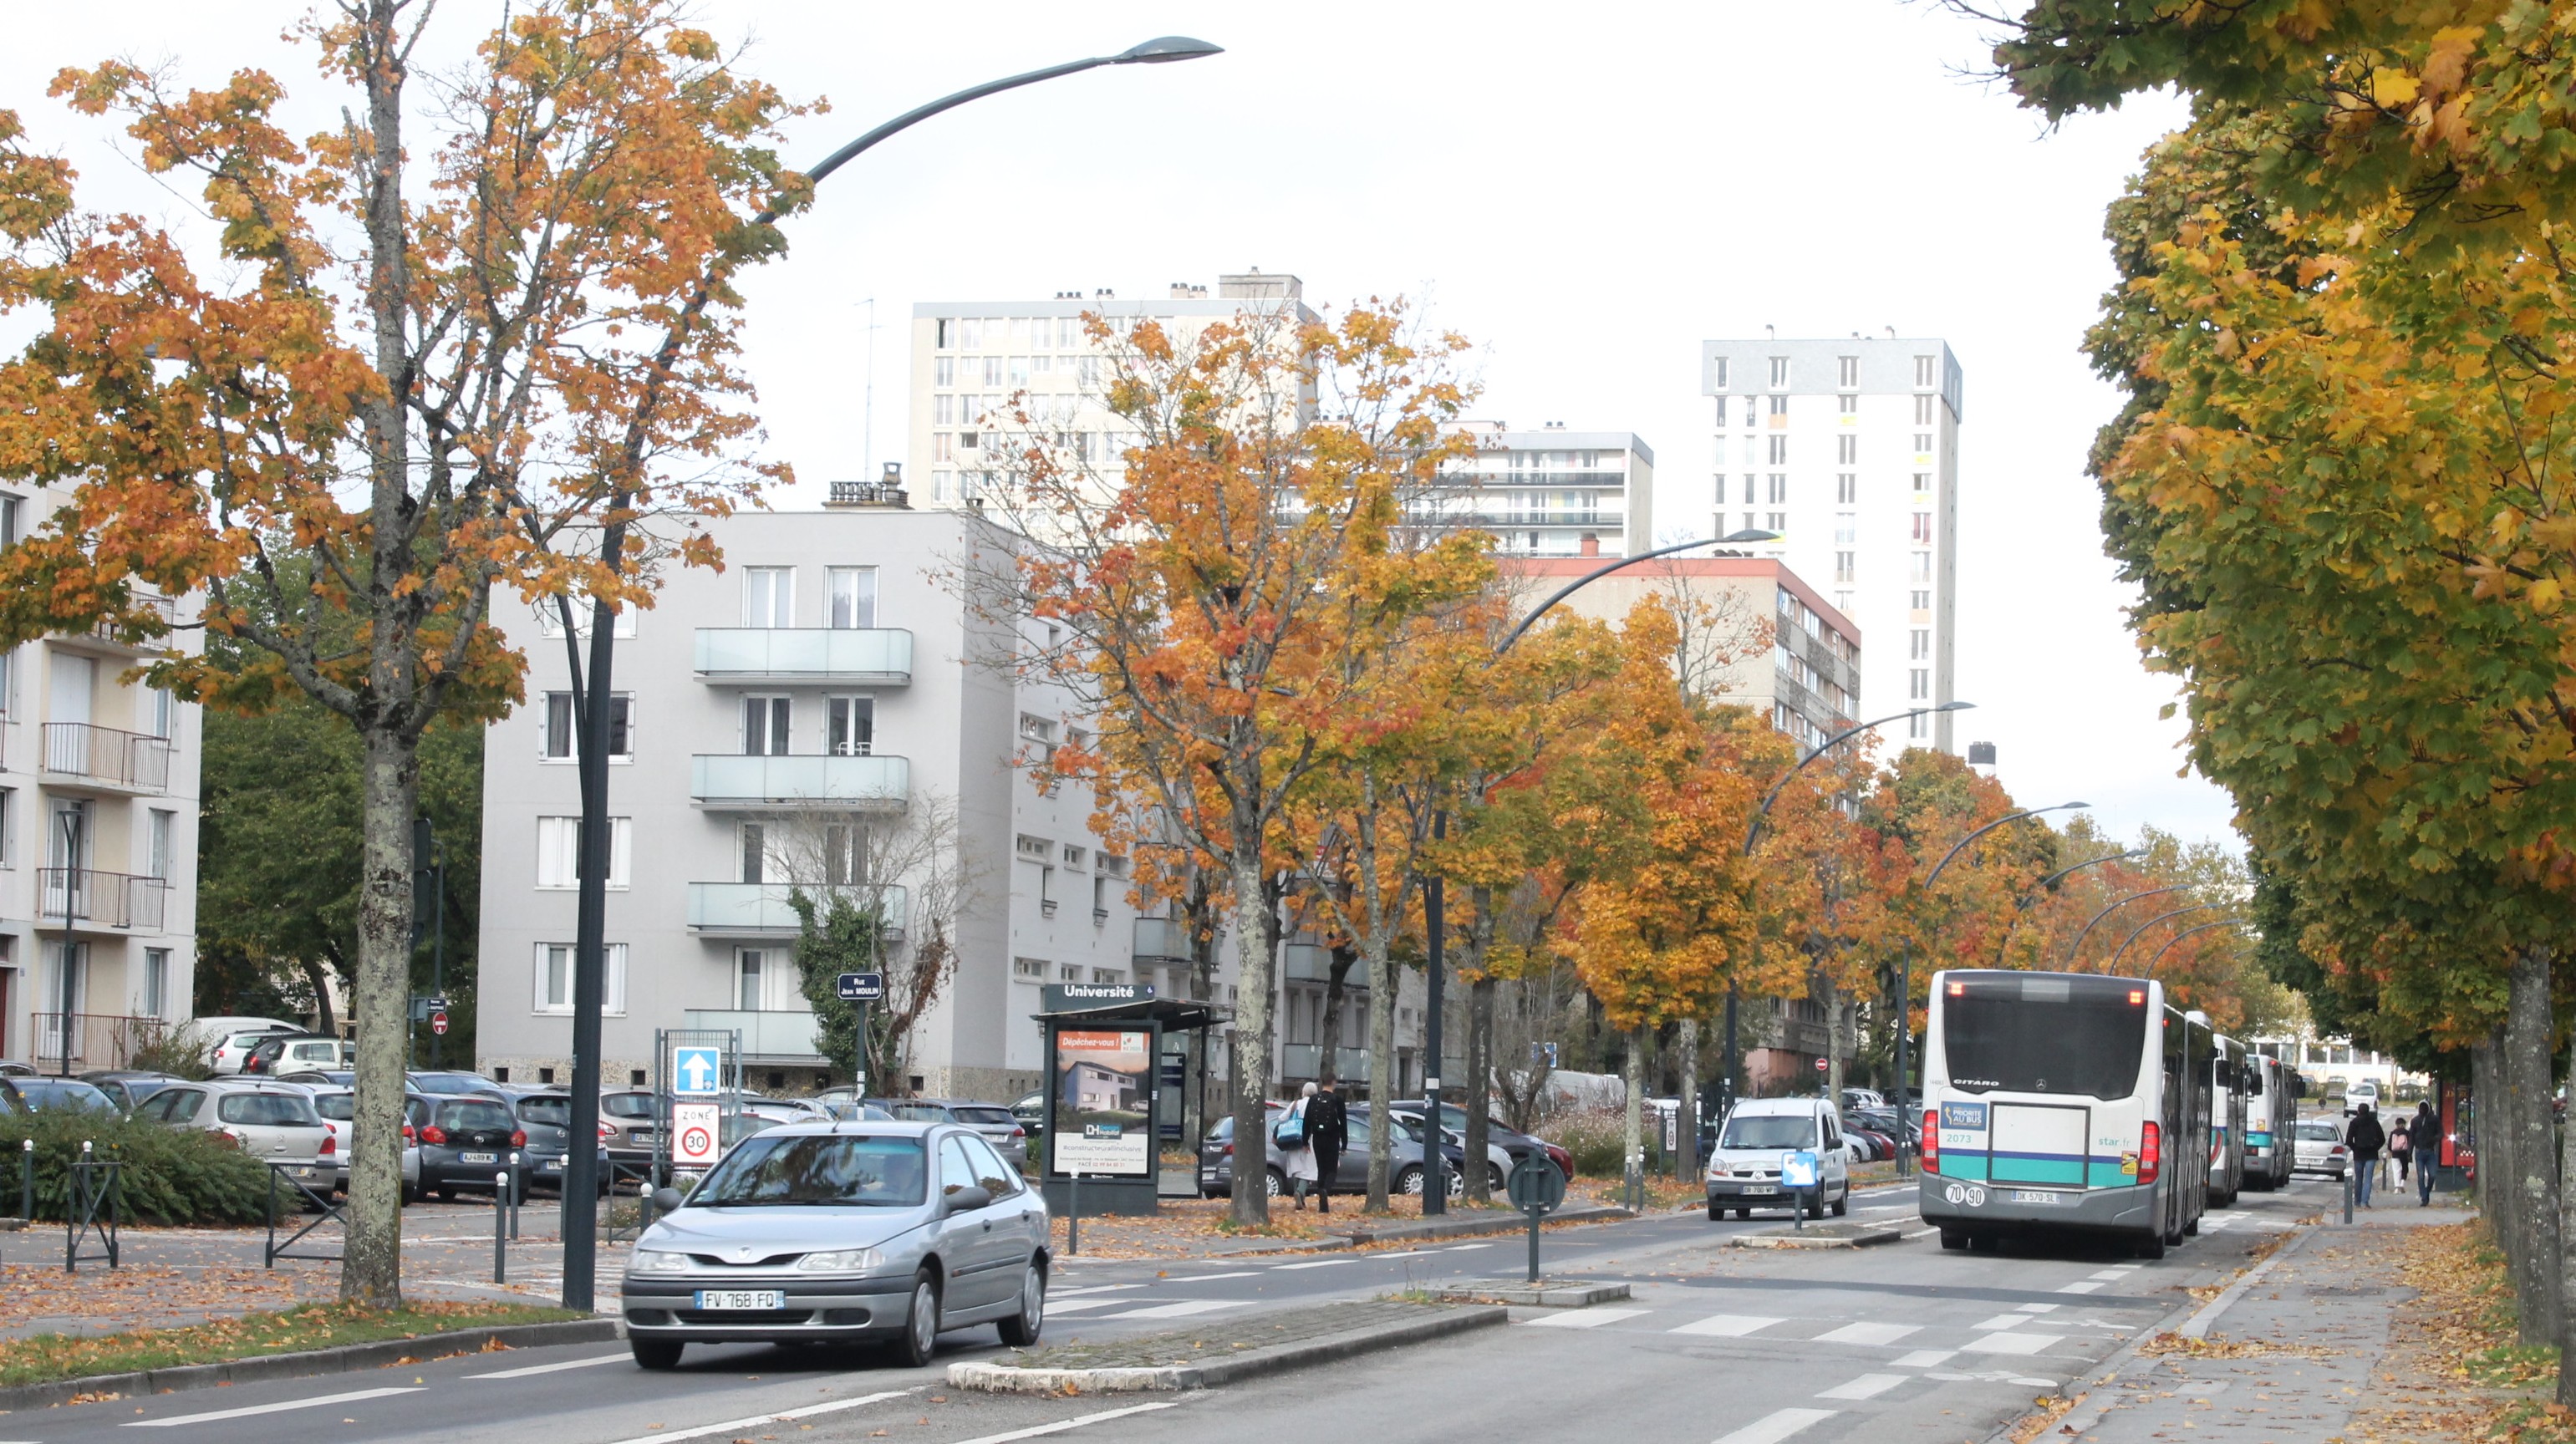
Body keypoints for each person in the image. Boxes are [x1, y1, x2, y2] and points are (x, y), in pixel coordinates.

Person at [1306, 1076, 1348, 1213]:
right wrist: (1344, 1144)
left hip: (1317, 1138)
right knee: (1332, 1171)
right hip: (1332, 1139)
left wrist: (1305, 1141)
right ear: (1334, 1083)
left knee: (1321, 1169)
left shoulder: (1313, 1099)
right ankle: (1325, 1190)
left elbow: (1307, 1120)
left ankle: (1322, 1204)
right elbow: (1343, 1123)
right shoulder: (1337, 1100)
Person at [1280, 1081, 1320, 1209]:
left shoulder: (1295, 1104)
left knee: (1297, 1169)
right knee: (1309, 1170)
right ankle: (1300, 1192)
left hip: (1293, 1138)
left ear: (1303, 1092)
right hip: (1310, 1139)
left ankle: (1300, 1200)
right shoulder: (1316, 1104)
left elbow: (1281, 1118)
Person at [2345, 1101, 2386, 1208]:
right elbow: (2382, 1139)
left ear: (2358, 1111)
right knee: (2368, 1178)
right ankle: (2365, 1201)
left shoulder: (2354, 1122)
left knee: (2358, 1178)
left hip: (2358, 1154)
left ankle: (2357, 1201)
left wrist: (2355, 1148)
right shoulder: (2374, 1122)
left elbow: (2349, 1140)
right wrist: (2375, 1148)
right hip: (2371, 1154)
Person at [2413, 1100, 2441, 1206]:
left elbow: (2440, 1132)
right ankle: (2424, 1197)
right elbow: (2412, 1136)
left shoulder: (2434, 1120)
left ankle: (2426, 1192)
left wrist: (2434, 1139)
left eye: (2424, 1108)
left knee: (2432, 1175)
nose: (2422, 1110)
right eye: (2421, 1108)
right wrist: (2409, 1151)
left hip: (2430, 1151)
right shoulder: (2415, 1121)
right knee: (2420, 1176)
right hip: (2419, 1151)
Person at [2389, 1114, 2412, 1185]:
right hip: (2404, 1153)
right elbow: (2410, 1143)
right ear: (2404, 1124)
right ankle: (2402, 1184)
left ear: (2396, 1124)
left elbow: (2390, 1144)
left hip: (2395, 1153)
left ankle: (2397, 1186)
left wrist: (2390, 1151)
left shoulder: (2393, 1133)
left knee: (2396, 1170)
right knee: (2405, 1168)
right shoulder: (2407, 1133)